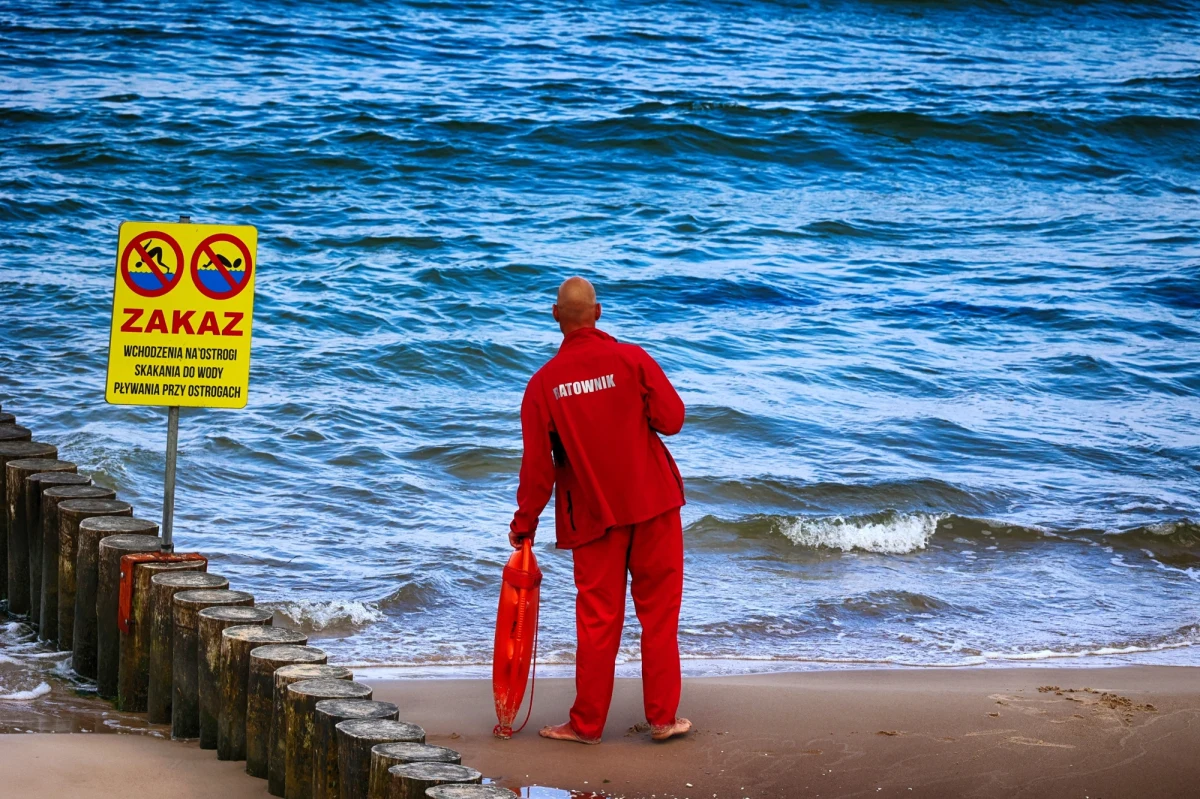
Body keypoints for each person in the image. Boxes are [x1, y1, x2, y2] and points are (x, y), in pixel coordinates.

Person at [508, 276, 692, 744]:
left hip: (592, 518)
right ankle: (663, 720)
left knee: (597, 622)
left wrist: (524, 524)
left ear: (556, 316)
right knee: (659, 615)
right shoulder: (632, 359)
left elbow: (537, 471)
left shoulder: (542, 385)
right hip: (654, 504)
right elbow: (672, 420)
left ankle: (587, 725)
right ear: (599, 312)